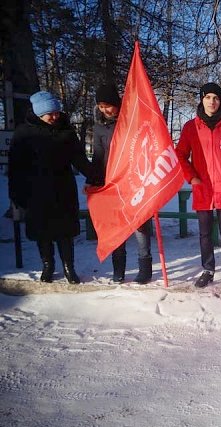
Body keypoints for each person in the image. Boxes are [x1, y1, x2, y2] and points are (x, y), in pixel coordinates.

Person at [8, 91, 95, 284]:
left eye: (57, 112)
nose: (55, 116)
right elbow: (15, 167)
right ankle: (47, 265)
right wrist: (16, 193)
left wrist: (96, 176)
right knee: (43, 232)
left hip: (62, 189)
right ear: (39, 114)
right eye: (50, 114)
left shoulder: (66, 132)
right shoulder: (24, 133)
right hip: (36, 191)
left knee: (65, 233)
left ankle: (69, 267)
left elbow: (79, 159)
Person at [174, 82, 221, 289]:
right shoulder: (191, 127)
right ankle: (208, 269)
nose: (212, 101)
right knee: (205, 233)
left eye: (215, 98)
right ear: (202, 99)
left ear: (220, 100)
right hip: (203, 187)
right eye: (208, 97)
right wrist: (192, 177)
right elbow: (180, 154)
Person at [87, 83, 153, 284]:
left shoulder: (130, 121)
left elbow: (144, 146)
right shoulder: (98, 128)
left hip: (133, 181)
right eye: (101, 106)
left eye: (108, 105)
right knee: (117, 227)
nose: (105, 110)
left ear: (117, 104)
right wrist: (94, 181)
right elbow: (98, 156)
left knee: (139, 225)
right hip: (111, 184)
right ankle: (119, 268)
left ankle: (145, 268)